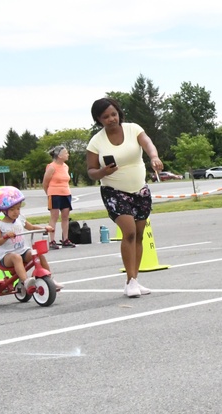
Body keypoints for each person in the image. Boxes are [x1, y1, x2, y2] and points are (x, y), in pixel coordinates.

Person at [85, 97, 164, 298]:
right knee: (129, 232)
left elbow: (148, 143)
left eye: (114, 114)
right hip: (114, 191)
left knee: (139, 234)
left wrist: (154, 156)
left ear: (119, 113)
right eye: (106, 117)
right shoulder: (96, 141)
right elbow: (91, 171)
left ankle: (134, 280)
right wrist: (103, 171)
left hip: (139, 190)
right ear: (98, 119)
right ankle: (130, 281)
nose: (111, 119)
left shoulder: (133, 129)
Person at [0, 186, 60, 292]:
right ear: (4, 210)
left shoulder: (20, 219)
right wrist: (5, 236)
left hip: (22, 251)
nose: (16, 212)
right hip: (6, 255)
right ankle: (26, 282)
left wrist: (44, 228)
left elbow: (32, 227)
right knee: (16, 258)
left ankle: (49, 280)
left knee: (38, 254)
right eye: (12, 209)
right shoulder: (0, 225)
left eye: (18, 208)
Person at [42, 146, 76, 250]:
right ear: (59, 155)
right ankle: (52, 240)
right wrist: (49, 194)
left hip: (66, 193)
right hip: (54, 194)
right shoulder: (51, 167)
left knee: (65, 216)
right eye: (66, 153)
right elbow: (45, 183)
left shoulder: (65, 167)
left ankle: (65, 239)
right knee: (54, 216)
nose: (68, 155)